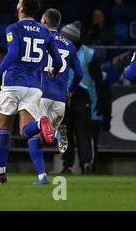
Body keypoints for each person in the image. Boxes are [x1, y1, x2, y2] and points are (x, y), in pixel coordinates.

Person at [0, 0, 63, 184]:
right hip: (34, 86)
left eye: (18, 2)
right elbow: (58, 60)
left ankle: (1, 171)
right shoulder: (45, 32)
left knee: (4, 128)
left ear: (22, 8)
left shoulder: (14, 28)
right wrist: (55, 71)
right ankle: (43, 123)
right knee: (26, 130)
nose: (16, 4)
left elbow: (12, 53)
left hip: (13, 84)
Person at [36, 9, 83, 183]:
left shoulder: (41, 39)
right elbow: (79, 73)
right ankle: (55, 133)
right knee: (44, 133)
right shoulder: (70, 45)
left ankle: (42, 175)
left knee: (33, 132)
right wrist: (70, 90)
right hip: (60, 98)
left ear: (44, 21)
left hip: (41, 93)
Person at [60, 21, 105, 174]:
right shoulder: (62, 51)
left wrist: (100, 102)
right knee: (65, 133)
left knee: (83, 134)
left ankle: (86, 164)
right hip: (65, 99)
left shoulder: (89, 54)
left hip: (82, 98)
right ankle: (68, 164)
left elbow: (99, 80)